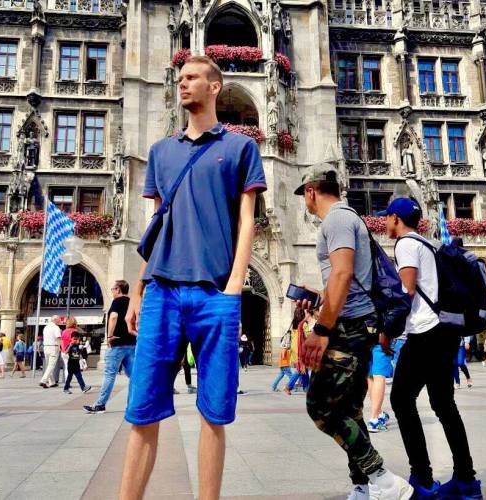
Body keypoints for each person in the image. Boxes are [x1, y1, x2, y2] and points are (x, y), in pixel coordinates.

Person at [120, 55, 266, 500]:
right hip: (162, 290)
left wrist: (234, 288)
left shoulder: (241, 148)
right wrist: (138, 290)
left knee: (213, 414)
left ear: (214, 86)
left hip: (214, 294)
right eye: (180, 78)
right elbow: (155, 225)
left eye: (192, 77)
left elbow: (247, 221)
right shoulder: (161, 152)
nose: (182, 83)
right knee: (142, 411)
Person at [294, 165, 413, 500]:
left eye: (304, 195)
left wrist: (321, 329)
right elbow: (344, 278)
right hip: (357, 321)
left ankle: (383, 480)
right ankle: (364, 486)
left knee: (321, 406)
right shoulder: (346, 219)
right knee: (349, 410)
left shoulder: (337, 220)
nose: (305, 201)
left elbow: (343, 274)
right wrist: (320, 298)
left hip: (351, 326)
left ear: (311, 191)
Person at [382, 197, 482, 499]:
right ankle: (466, 481)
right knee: (443, 405)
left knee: (401, 400)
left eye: (386, 217)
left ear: (396, 219)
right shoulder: (427, 244)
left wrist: (388, 331)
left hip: (425, 333)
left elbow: (407, 291)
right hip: (444, 332)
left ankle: (423, 479)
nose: (384, 222)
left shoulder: (405, 244)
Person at [83, 280, 134, 414]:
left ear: (118, 289)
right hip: (132, 344)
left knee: (109, 375)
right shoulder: (132, 302)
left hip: (117, 344)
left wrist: (110, 335)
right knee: (134, 376)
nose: (112, 291)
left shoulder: (117, 301)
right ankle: (133, 405)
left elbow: (113, 317)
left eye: (112, 289)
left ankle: (100, 405)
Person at [284, 309, 314, 394]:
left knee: (304, 369)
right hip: (301, 349)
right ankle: (288, 386)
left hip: (294, 348)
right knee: (301, 369)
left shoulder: (294, 324)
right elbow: (308, 337)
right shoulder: (303, 324)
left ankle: (306, 388)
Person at [367, 336, 393, 433]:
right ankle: (374, 420)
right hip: (382, 337)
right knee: (379, 376)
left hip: (365, 337)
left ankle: (379, 413)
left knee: (370, 376)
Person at [40, 316, 62, 388]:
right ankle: (43, 380)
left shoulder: (46, 327)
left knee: (48, 365)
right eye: (59, 320)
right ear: (55, 320)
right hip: (53, 347)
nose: (59, 322)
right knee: (51, 365)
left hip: (46, 347)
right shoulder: (56, 328)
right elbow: (58, 338)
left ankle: (52, 382)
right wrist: (60, 347)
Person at [61, 316, 78, 382]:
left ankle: (67, 380)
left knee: (67, 366)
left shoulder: (64, 331)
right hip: (72, 351)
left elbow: (61, 342)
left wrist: (63, 350)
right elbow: (76, 342)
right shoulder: (75, 331)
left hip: (64, 351)